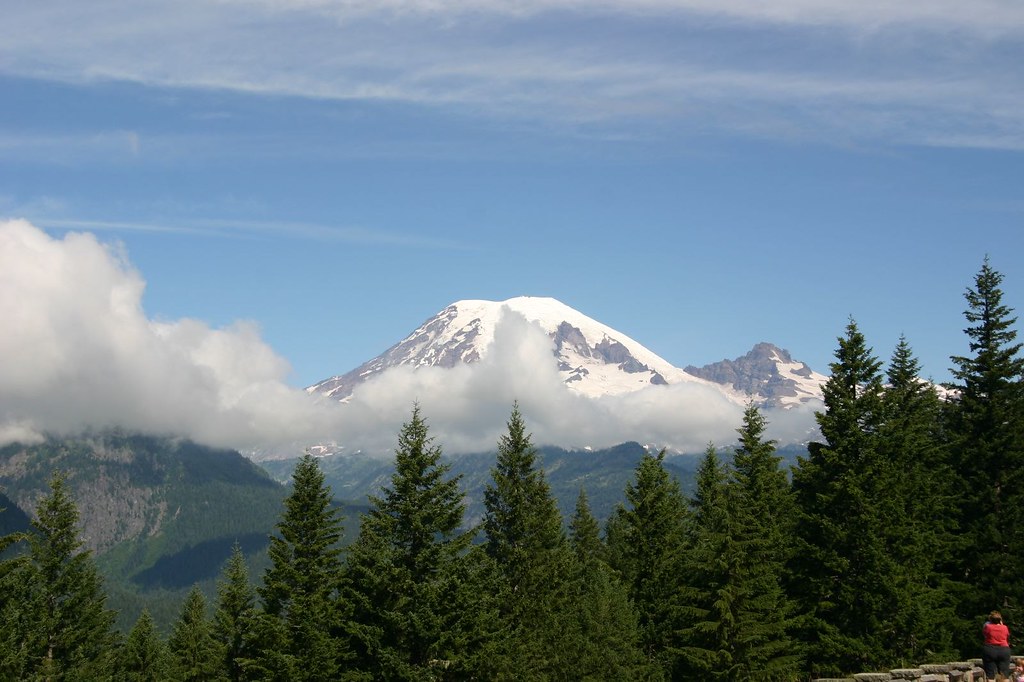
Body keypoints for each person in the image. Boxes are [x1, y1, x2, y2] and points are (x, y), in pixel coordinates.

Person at [983, 610, 1012, 682]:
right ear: (1000, 620)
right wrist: (1001, 624)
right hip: (1004, 650)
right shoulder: (1005, 627)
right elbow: (1007, 636)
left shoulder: (988, 627)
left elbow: (985, 635)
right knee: (1005, 674)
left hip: (990, 649)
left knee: (990, 674)